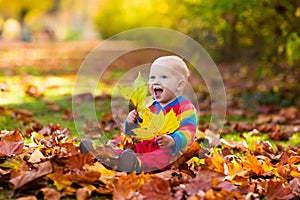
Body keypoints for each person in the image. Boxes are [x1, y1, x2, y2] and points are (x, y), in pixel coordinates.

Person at [80, 55, 198, 173]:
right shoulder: (150, 106)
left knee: (157, 157)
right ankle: (98, 153)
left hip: (170, 152)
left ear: (180, 85)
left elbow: (188, 131)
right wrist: (131, 124)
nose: (156, 81)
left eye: (163, 77)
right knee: (126, 151)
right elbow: (139, 133)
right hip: (146, 146)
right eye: (152, 77)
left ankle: (135, 164)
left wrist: (173, 140)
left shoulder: (185, 107)